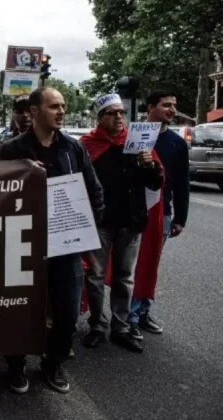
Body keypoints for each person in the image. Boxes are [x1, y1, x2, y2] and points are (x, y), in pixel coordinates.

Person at [0, 87, 104, 395]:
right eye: (54, 106)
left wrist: (86, 230)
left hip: (65, 247)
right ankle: (15, 366)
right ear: (33, 111)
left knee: (67, 313)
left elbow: (94, 192)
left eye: (63, 106)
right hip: (22, 247)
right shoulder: (10, 150)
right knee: (18, 311)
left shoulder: (73, 149)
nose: (61, 111)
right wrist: (22, 176)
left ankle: (52, 363)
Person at [80, 93, 162, 353]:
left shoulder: (139, 144)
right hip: (100, 222)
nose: (118, 117)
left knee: (125, 277)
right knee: (95, 276)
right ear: (100, 117)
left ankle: (121, 326)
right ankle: (97, 325)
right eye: (112, 113)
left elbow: (155, 183)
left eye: (121, 113)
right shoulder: (87, 145)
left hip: (131, 220)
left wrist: (149, 166)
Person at [129, 91, 190, 334]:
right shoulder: (133, 137)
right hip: (132, 212)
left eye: (174, 106)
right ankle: (126, 316)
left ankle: (142, 312)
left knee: (151, 263)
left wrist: (180, 218)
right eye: (166, 105)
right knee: (131, 266)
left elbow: (182, 183)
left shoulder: (177, 143)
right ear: (151, 107)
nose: (172, 110)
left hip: (162, 213)